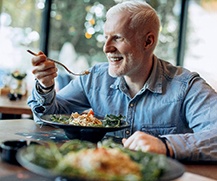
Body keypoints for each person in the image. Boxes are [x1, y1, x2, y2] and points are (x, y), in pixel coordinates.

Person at [28, 1, 217, 162]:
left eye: (117, 38)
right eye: (105, 37)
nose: (106, 48)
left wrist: (165, 145)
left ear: (148, 42)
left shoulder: (186, 86)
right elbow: (48, 117)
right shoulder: (94, 78)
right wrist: (46, 86)